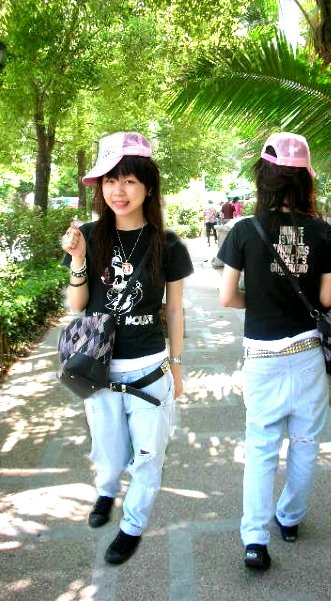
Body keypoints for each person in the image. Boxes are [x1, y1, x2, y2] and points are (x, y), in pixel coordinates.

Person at [60, 131, 193, 565]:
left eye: (130, 180)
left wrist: (177, 365)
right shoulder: (89, 235)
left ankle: (132, 524)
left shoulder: (168, 244)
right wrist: (78, 259)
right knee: (108, 452)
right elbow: (77, 305)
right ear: (100, 186)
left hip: (149, 368)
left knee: (149, 456)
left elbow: (175, 310)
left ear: (148, 187)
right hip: (98, 367)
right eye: (110, 180)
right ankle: (105, 491)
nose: (119, 190)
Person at [217, 132, 331, 570]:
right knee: (305, 442)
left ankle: (255, 541)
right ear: (305, 180)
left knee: (261, 447)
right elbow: (326, 299)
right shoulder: (322, 232)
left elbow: (227, 297)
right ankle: (289, 519)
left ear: (264, 178)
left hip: (262, 357)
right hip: (308, 353)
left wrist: (260, 300)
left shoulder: (244, 230)